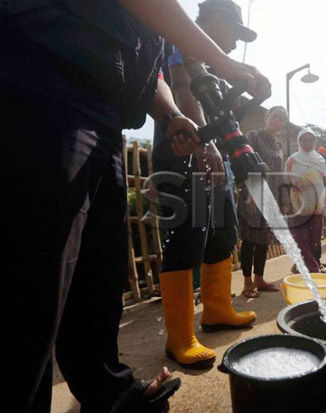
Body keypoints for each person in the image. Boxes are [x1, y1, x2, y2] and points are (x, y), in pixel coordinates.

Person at [1, 0, 270, 411]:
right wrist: (223, 63)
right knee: (33, 279)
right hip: (42, 90)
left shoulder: (166, 32)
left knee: (98, 272)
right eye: (231, 35)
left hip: (105, 116)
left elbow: (150, 67)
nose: (233, 44)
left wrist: (170, 115)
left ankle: (107, 390)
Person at [151, 0, 259, 370]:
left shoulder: (212, 65)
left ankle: (216, 309)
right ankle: (179, 337)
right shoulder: (179, 43)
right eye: (234, 33)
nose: (233, 45)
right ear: (214, 21)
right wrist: (206, 144)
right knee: (187, 238)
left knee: (221, 234)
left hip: (214, 159)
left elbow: (228, 108)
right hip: (184, 154)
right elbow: (181, 89)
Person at [236, 106, 288, 297]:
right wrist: (248, 193)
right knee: (249, 238)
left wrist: (283, 200)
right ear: (266, 117)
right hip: (252, 193)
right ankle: (247, 282)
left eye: (282, 119)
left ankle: (259, 278)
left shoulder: (279, 145)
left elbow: (280, 174)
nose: (277, 121)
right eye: (275, 116)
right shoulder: (253, 136)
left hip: (272, 197)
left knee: (264, 239)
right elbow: (245, 163)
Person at [284, 128, 326, 273]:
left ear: (315, 141)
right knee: (300, 238)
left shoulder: (320, 159)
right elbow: (286, 182)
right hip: (298, 205)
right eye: (304, 140)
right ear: (299, 141)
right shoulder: (292, 160)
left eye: (311, 140)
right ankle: (313, 268)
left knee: (314, 239)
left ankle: (301, 265)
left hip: (317, 205)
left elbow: (325, 181)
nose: (308, 143)